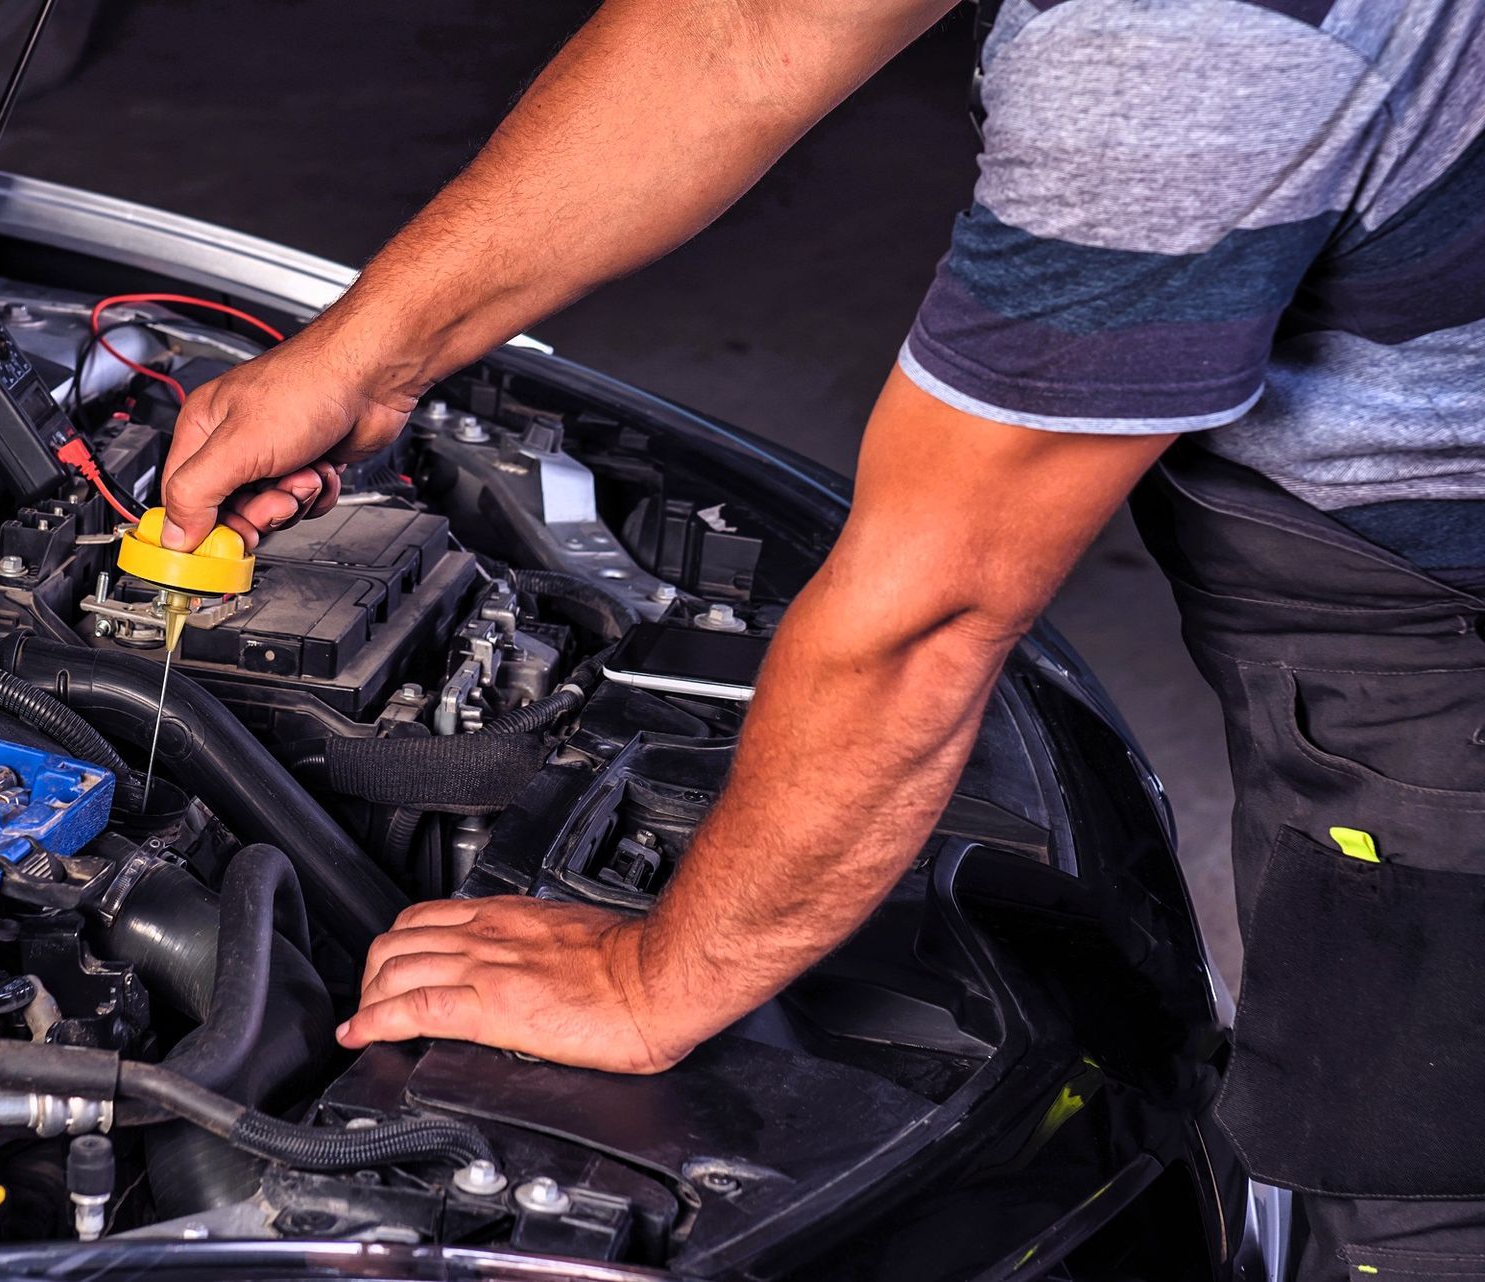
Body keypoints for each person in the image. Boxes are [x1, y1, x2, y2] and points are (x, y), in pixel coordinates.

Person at [158, 0, 1485, 1273]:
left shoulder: (1181, 50)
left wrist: (649, 981)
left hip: (1443, 644)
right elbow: (740, 30)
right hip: (1369, 528)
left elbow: (935, 606)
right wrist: (371, 350)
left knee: (1423, 1196)